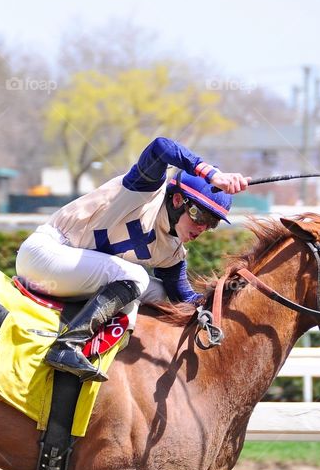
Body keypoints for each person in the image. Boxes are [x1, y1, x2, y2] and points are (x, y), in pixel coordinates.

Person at [16, 137, 249, 382]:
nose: (202, 227)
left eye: (211, 223)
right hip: (44, 254)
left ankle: (112, 361)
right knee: (136, 276)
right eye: (200, 215)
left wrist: (227, 303)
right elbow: (161, 147)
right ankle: (66, 347)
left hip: (70, 276)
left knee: (158, 293)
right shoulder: (144, 191)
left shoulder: (173, 252)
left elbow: (185, 298)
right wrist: (210, 174)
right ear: (178, 200)